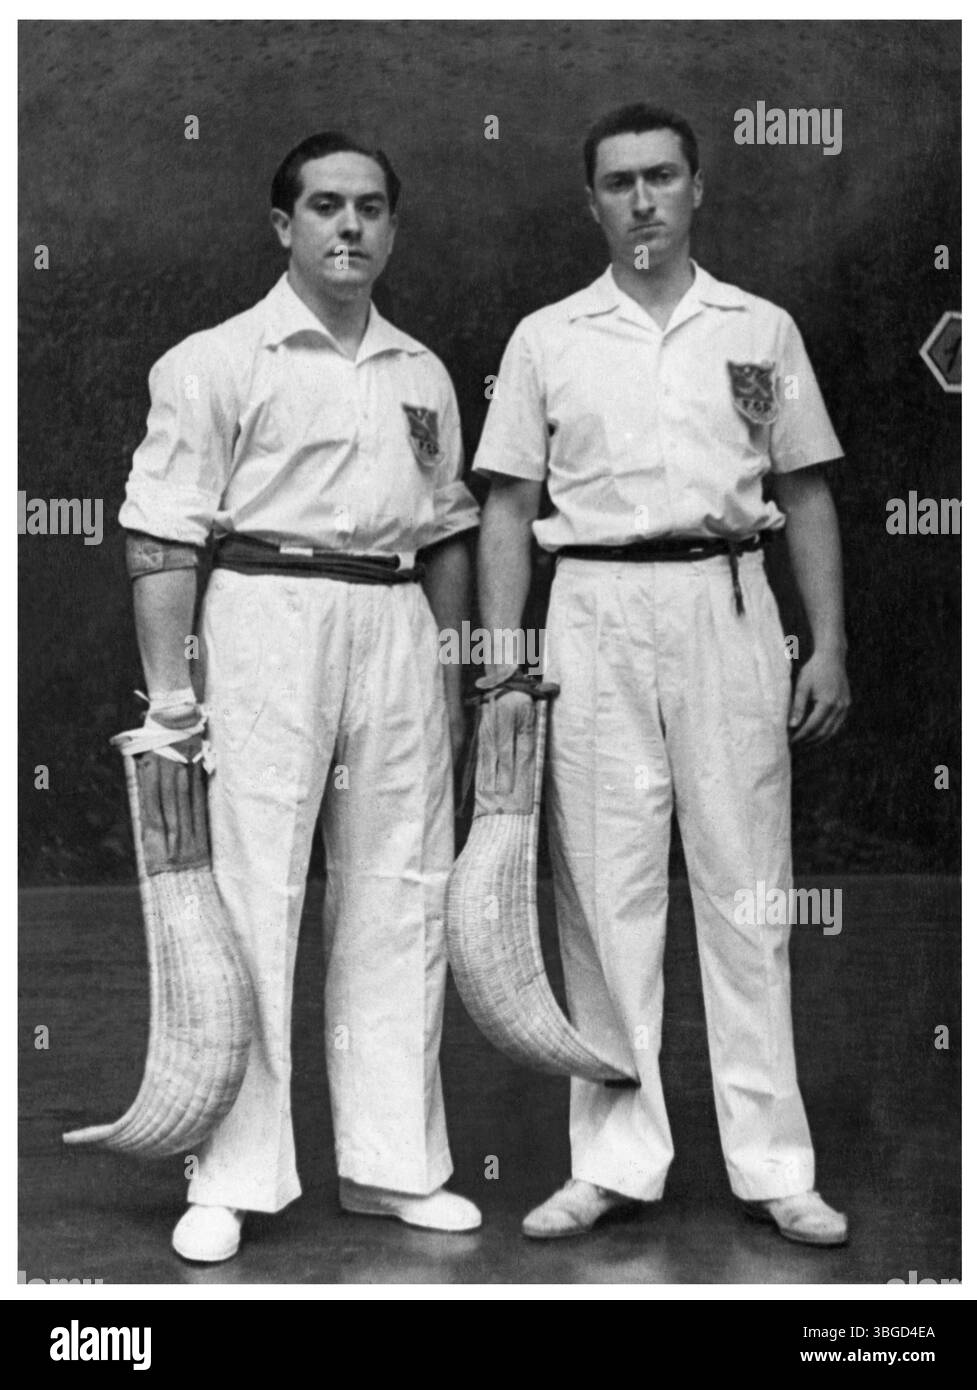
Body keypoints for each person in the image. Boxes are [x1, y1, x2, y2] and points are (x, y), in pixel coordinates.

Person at [473, 104, 851, 1245]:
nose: (642, 199)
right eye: (619, 182)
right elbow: (505, 505)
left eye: (662, 177)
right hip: (587, 610)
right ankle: (614, 1162)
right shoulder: (546, 337)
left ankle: (773, 1163)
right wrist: (501, 664)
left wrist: (826, 643)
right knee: (602, 892)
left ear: (696, 190)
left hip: (727, 605)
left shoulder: (761, 327)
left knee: (746, 890)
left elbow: (811, 489)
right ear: (589, 202)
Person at [119, 131, 482, 1263]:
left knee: (401, 889)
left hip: (395, 625)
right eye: (325, 206)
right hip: (264, 613)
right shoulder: (216, 358)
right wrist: (173, 697)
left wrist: (455, 663)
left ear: (392, 225)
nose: (350, 227)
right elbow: (160, 532)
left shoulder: (421, 370)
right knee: (253, 891)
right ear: (283, 227)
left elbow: (447, 529)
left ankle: (392, 1163)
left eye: (371, 207)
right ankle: (231, 1173)